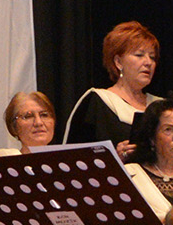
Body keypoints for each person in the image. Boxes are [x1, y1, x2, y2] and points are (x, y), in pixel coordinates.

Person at [63, 21, 158, 157]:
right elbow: (72, 158)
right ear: (118, 62)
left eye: (152, 57)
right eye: (139, 55)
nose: (148, 62)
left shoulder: (161, 107)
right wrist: (115, 158)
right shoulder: (97, 102)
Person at [0, 92, 56, 156]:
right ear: (14, 127)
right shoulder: (6, 160)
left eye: (44, 115)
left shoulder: (63, 158)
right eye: (28, 116)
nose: (38, 122)